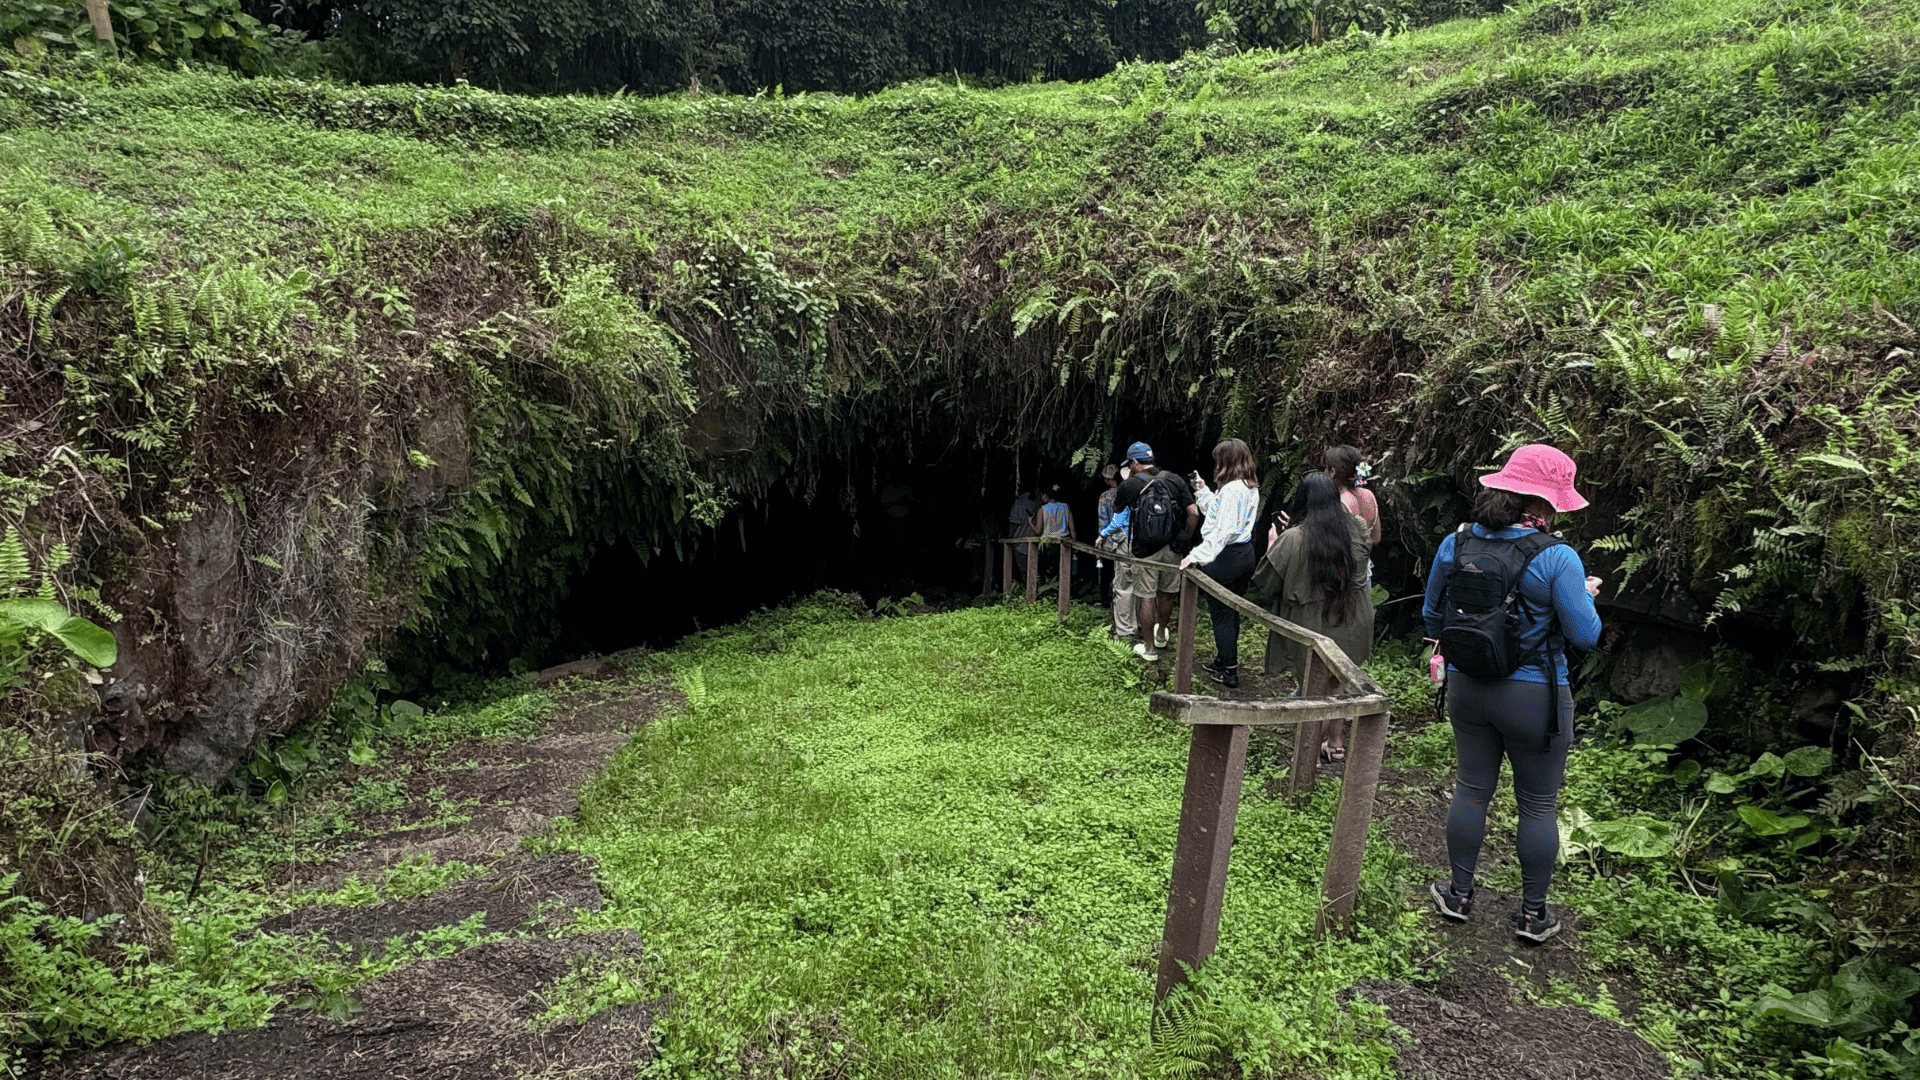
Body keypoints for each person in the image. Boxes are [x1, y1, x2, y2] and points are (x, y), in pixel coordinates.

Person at [1421, 444, 1602, 944]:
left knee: (1472, 788)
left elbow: (1432, 617)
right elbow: (1585, 635)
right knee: (1539, 804)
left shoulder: (1455, 543)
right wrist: (1581, 595)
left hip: (1466, 687)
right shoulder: (1557, 557)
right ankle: (1532, 915)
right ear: (1546, 505)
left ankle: (1458, 894)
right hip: (1535, 697)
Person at [1252, 472, 1373, 757]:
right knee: (1336, 681)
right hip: (1351, 615)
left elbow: (1265, 584)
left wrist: (1273, 544)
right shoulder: (1355, 526)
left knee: (1314, 687)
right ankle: (1335, 743)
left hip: (1312, 621)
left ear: (1301, 501)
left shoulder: (1293, 539)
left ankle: (1306, 756)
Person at [1181, 439, 1261, 689]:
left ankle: (1230, 671)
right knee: (1231, 610)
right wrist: (1203, 490)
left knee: (1222, 615)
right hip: (1244, 554)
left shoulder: (1232, 490)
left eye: (1219, 460)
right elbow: (1216, 512)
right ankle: (1223, 659)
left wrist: (1196, 555)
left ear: (1226, 461)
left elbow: (1223, 531)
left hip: (1225, 557)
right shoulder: (1248, 486)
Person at [1113, 441, 1199, 662]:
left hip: (1144, 549)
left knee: (1146, 597)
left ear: (1134, 462)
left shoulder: (1130, 485)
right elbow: (1194, 512)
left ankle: (1149, 648)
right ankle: (1161, 635)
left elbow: (1117, 508)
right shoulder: (1174, 479)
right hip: (1172, 548)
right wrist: (1185, 538)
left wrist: (1127, 486)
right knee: (1166, 593)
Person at [1099, 470, 1136, 640]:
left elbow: (1115, 521)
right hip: (1144, 542)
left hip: (1123, 541)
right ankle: (1143, 624)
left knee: (1122, 585)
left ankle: (1124, 629)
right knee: (1142, 586)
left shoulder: (1117, 494)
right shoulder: (1144, 488)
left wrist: (1103, 535)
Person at [1323, 445, 1382, 546]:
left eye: (1325, 468)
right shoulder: (1369, 495)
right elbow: (1376, 539)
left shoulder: (1340, 501)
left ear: (1332, 472)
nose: (1324, 472)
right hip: (1365, 560)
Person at [1030, 486, 1077, 579]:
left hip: (1047, 544)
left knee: (1047, 573)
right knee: (1062, 572)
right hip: (1064, 542)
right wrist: (1075, 544)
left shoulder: (1043, 509)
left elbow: (1038, 530)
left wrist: (1030, 523)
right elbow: (1072, 529)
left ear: (1047, 496)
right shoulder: (1066, 507)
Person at [1007, 489, 1040, 579]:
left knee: (1024, 571)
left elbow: (1014, 523)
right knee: (1035, 570)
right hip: (1036, 541)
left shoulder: (1018, 505)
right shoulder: (1037, 504)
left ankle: (1028, 590)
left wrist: (1010, 537)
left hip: (1020, 543)